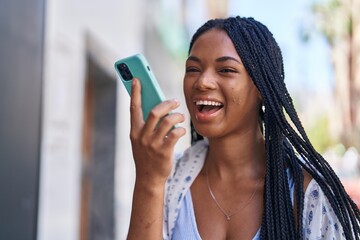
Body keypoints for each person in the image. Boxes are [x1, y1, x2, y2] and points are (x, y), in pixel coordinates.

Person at [126, 16, 360, 239]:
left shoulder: (310, 194)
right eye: (193, 69)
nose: (202, 81)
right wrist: (149, 182)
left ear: (261, 87)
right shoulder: (170, 178)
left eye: (226, 70)